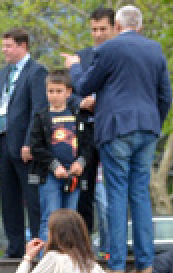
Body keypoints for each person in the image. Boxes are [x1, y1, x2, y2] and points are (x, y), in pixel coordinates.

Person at [68, 5, 172, 273]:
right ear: (140, 26)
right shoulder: (155, 50)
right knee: (140, 194)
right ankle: (145, 263)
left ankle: (115, 265)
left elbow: (84, 86)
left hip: (116, 129)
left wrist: (75, 68)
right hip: (147, 128)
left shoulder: (108, 49)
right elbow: (166, 96)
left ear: (116, 26)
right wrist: (154, 123)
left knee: (116, 194)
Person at [0, 29, 47, 259]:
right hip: (3, 143)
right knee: (8, 200)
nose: (4, 50)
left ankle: (38, 247)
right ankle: (15, 247)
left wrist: (30, 141)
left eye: (8, 46)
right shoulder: (2, 74)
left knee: (33, 198)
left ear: (23, 46)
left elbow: (38, 110)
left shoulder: (37, 72)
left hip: (25, 148)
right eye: (3, 45)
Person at [73, 9, 117, 245]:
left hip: (112, 132)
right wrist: (82, 103)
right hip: (85, 133)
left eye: (103, 29)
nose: (98, 34)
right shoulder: (81, 57)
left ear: (114, 28)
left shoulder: (120, 56)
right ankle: (85, 247)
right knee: (84, 194)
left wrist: (101, 102)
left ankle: (113, 247)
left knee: (113, 194)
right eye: (94, 29)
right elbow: (68, 94)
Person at [29, 70, 87, 220]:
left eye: (59, 91)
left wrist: (81, 162)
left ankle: (68, 245)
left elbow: (88, 144)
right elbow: (36, 146)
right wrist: (54, 165)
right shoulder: (41, 116)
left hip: (73, 174)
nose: (54, 95)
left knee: (70, 218)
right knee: (51, 217)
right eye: (50, 91)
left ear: (68, 92)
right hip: (50, 175)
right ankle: (50, 244)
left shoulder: (77, 115)